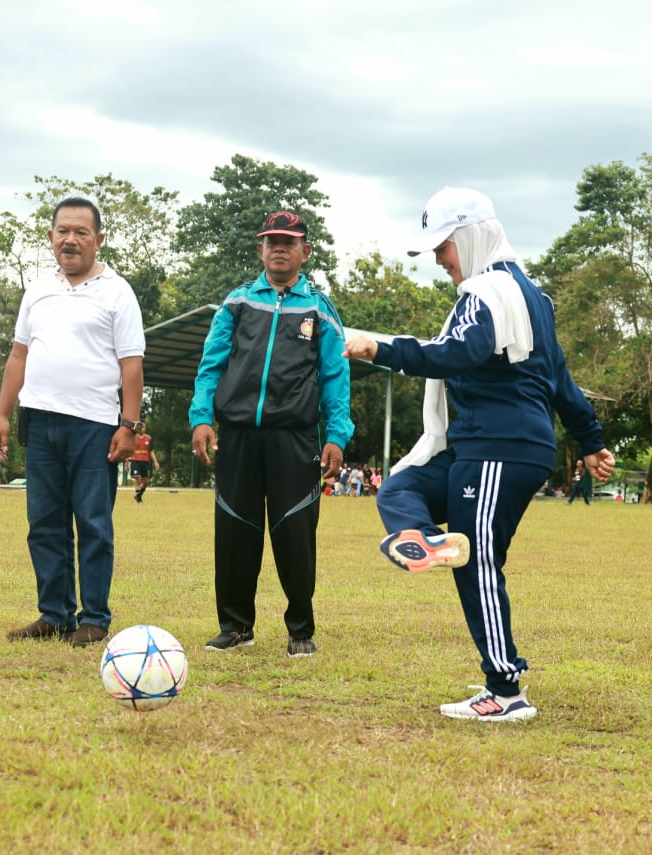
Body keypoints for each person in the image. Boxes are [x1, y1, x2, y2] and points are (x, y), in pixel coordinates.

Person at [343, 187, 615, 722]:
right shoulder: (529, 296)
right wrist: (592, 442)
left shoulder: (487, 294)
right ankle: (424, 538)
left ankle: (505, 691)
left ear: (469, 235)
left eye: (443, 247)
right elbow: (562, 382)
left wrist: (381, 348)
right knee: (402, 486)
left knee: (480, 562)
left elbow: (456, 354)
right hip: (487, 448)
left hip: (499, 448)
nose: (441, 261)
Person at [190, 210, 352, 659]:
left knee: (294, 533)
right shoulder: (238, 303)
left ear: (305, 251)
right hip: (238, 436)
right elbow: (211, 365)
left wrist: (337, 435)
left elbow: (336, 376)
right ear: (261, 248)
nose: (278, 248)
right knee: (235, 531)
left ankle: (300, 629)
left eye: (288, 241)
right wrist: (201, 417)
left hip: (295, 438)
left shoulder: (318, 309)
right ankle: (236, 626)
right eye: (270, 241)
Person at [0, 196, 146, 648]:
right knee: (44, 523)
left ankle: (94, 617)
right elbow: (19, 354)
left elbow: (131, 363)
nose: (71, 240)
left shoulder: (118, 292)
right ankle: (54, 613)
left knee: (93, 523)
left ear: (98, 240)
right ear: (51, 237)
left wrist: (129, 425)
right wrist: (3, 414)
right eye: (63, 231)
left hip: (94, 425)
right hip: (40, 422)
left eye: (82, 232)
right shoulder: (38, 290)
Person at [130, 421, 160, 503]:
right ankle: (138, 499)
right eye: (141, 427)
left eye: (144, 427)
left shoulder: (148, 438)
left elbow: (151, 451)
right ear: (138, 428)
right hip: (135, 460)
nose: (142, 429)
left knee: (146, 481)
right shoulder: (133, 437)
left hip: (145, 461)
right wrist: (126, 463)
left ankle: (138, 495)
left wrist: (155, 462)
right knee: (138, 477)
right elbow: (129, 449)